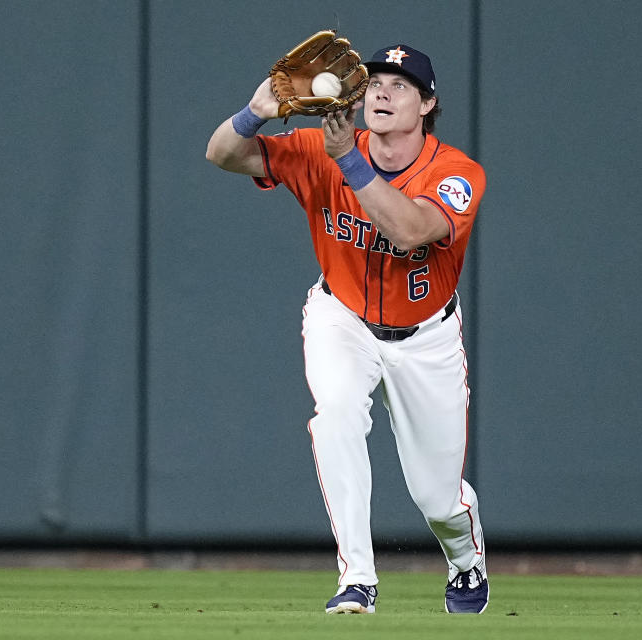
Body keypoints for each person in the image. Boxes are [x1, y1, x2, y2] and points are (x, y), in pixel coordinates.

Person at [206, 42, 489, 615]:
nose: (383, 91)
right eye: (376, 81)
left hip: (425, 337)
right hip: (342, 317)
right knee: (335, 415)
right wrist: (256, 110)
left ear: (428, 103)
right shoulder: (320, 148)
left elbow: (411, 230)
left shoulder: (457, 173)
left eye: (401, 85)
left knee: (437, 501)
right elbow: (222, 155)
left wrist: (349, 164)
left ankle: (466, 558)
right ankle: (357, 577)